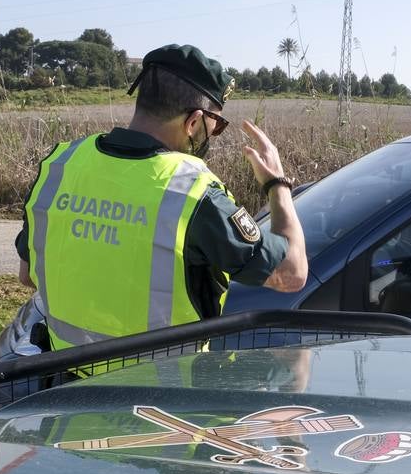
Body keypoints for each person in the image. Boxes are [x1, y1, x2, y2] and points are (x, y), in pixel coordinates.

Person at [15, 44, 307, 349]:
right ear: (193, 122)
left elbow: (29, 274)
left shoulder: (61, 165)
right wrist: (277, 184)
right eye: (215, 126)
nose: (212, 136)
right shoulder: (192, 192)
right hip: (165, 391)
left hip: (68, 386)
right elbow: (292, 274)